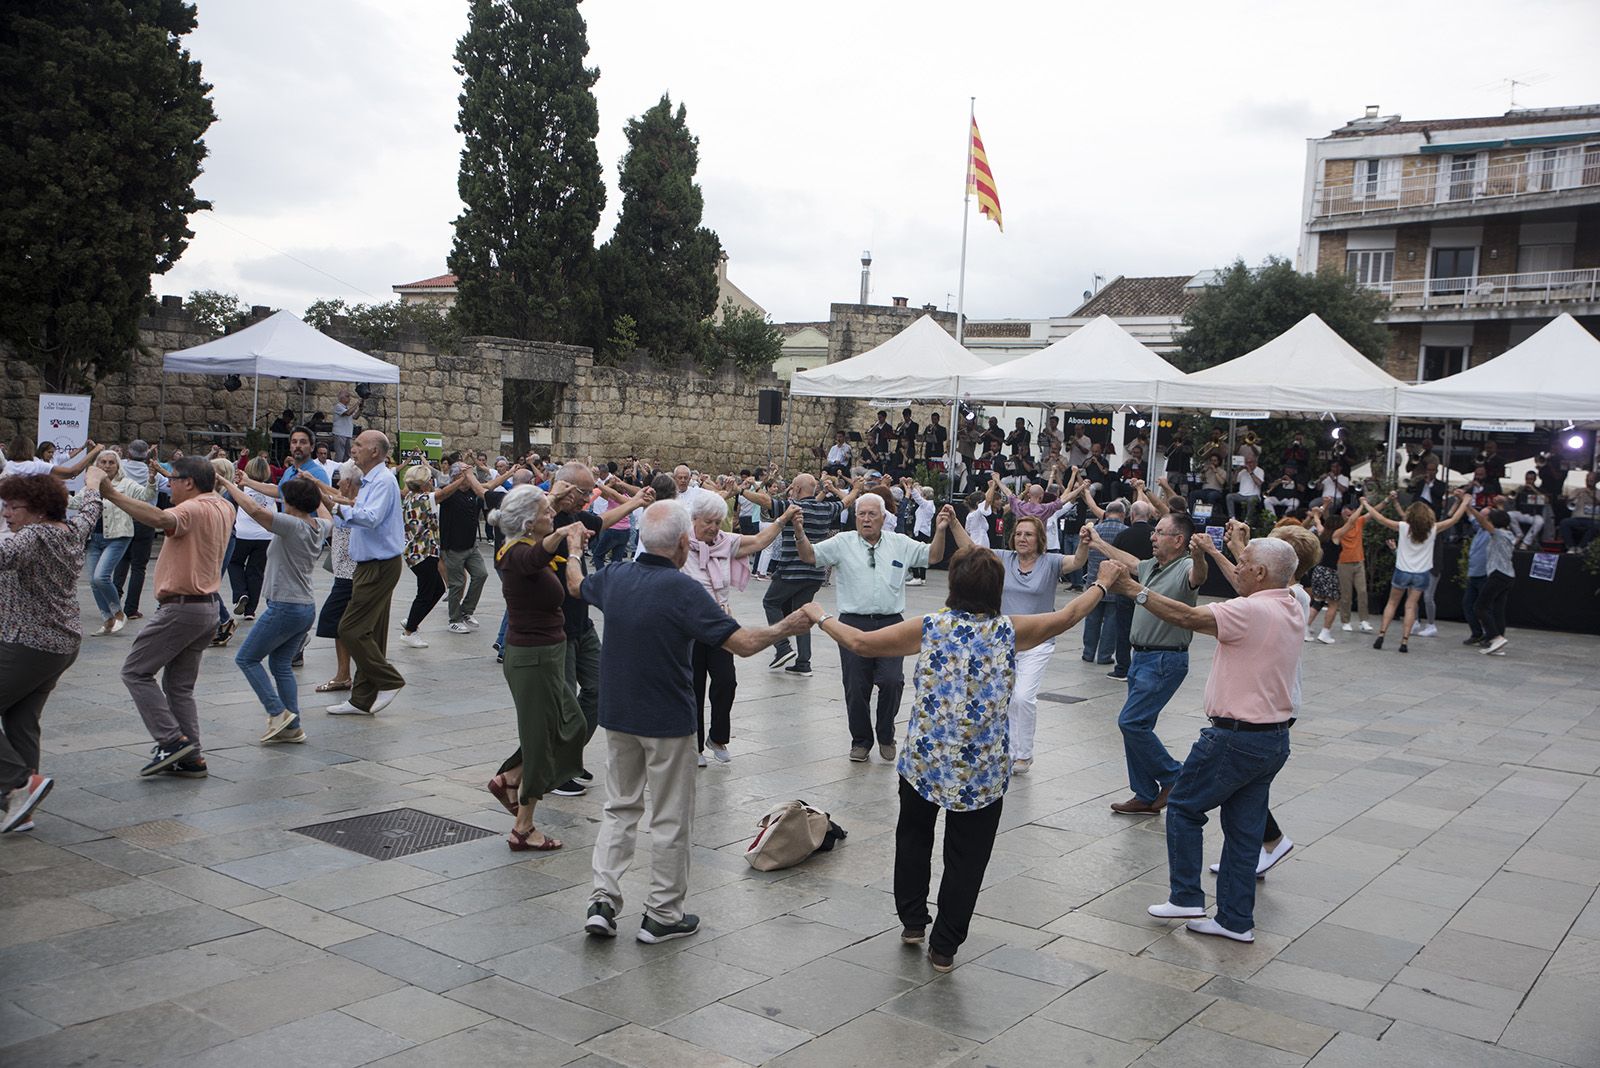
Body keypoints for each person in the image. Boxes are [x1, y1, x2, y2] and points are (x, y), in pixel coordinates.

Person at [804, 548, 1127, 970]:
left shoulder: (931, 627)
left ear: (954, 585)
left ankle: (913, 921)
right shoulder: (1010, 631)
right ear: (998, 589)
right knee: (968, 858)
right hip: (984, 769)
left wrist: (819, 615)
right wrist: (1102, 582)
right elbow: (1066, 617)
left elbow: (862, 644)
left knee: (914, 840)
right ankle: (945, 946)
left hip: (925, 761)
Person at [572, 501, 812, 944]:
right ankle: (662, 913)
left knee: (619, 808)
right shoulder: (683, 591)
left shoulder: (615, 577)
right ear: (683, 543)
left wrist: (571, 550)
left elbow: (575, 585)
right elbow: (740, 644)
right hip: (666, 720)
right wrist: (787, 627)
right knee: (670, 818)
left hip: (619, 715)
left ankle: (602, 901)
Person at [1111, 537, 1303, 943]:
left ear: (1260, 574)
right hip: (1273, 740)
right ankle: (1235, 920)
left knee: (1182, 805)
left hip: (1234, 738)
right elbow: (1245, 591)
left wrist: (1132, 590)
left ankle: (1185, 896)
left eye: (1243, 562)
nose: (1235, 567)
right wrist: (1222, 551)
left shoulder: (1250, 610)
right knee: (1244, 830)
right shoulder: (1290, 603)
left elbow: (1186, 616)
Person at [101, 456, 234, 777]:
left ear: (189, 482)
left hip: (182, 607)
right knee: (179, 687)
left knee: (135, 672)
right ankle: (192, 757)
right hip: (206, 609)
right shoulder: (222, 506)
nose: (167, 484)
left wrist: (113, 494)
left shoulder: (193, 508)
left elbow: (161, 519)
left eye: (172, 479)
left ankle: (172, 741)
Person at [0, 469, 106, 829]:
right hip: (60, 645)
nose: (6, 514)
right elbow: (91, 508)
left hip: (29, 644)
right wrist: (93, 482)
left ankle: (19, 783)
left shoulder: (34, 534)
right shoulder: (71, 531)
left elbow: (6, 555)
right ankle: (20, 811)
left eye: (13, 507)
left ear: (39, 509)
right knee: (20, 721)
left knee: (21, 721)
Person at [1084, 509, 1209, 813]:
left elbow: (1199, 576)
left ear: (1179, 540)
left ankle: (1173, 776)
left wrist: (1202, 556)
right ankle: (1144, 793)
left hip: (1165, 659)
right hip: (1141, 657)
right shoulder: (1153, 565)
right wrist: (1099, 542)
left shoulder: (1186, 567)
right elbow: (1127, 561)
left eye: (1159, 532)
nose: (1152, 537)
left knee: (1131, 722)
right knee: (1137, 725)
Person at [795, 491, 931, 762]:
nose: (866, 519)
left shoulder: (899, 543)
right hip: (853, 623)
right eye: (861, 514)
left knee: (892, 681)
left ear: (883, 518)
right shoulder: (843, 542)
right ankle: (861, 740)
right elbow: (810, 556)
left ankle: (885, 732)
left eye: (872, 514)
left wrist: (941, 527)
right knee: (856, 686)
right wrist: (799, 532)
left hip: (891, 623)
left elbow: (934, 554)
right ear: (855, 517)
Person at [489, 485, 589, 851]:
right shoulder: (513, 554)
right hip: (531, 658)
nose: (554, 516)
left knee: (572, 724)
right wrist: (566, 537)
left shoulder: (530, 547)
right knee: (540, 739)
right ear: (530, 523)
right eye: (548, 512)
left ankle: (511, 777)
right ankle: (523, 827)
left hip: (548, 654)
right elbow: (532, 561)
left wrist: (560, 519)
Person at [935, 509, 1065, 774]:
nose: (1022, 538)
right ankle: (1002, 749)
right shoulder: (1004, 558)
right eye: (1018, 534)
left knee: (1023, 697)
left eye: (1028, 534)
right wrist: (955, 523)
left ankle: (1023, 754)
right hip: (1003, 639)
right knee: (998, 698)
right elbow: (971, 548)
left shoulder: (1051, 562)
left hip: (1038, 642)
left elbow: (1077, 562)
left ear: (1039, 538)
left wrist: (1087, 543)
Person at [683, 493, 796, 764]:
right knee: (694, 686)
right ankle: (694, 747)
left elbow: (758, 541)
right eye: (707, 522)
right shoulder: (680, 544)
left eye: (717, 522)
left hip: (721, 624)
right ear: (694, 520)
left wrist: (783, 519)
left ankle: (718, 737)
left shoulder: (725, 542)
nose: (713, 527)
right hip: (689, 628)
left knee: (726, 681)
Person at [223, 474, 331, 743]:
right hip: (305, 607)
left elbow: (254, 510)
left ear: (289, 502)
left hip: (285, 606)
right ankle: (292, 725)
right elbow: (327, 512)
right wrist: (316, 488)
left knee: (246, 658)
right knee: (280, 664)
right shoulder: (319, 526)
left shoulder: (291, 525)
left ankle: (278, 713)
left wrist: (228, 484)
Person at [311, 430, 406, 716]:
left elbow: (370, 518)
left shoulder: (383, 481)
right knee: (371, 632)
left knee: (349, 628)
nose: (353, 449)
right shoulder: (371, 480)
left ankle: (389, 679)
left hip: (378, 565)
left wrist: (334, 507)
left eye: (359, 445)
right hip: (371, 563)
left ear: (375, 451)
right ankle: (361, 699)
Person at [745, 472, 849, 678]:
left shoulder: (792, 507)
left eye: (793, 487)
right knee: (803, 613)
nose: (791, 490)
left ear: (798, 489)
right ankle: (803, 662)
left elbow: (765, 501)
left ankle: (782, 647)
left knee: (771, 603)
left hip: (792, 570)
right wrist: (856, 489)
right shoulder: (826, 509)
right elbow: (846, 502)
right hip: (816, 573)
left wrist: (741, 491)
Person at [1361, 491, 1470, 653]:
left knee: (1392, 603)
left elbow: (1381, 519)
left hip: (1402, 570)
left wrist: (1366, 504)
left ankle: (1382, 634)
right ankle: (1404, 641)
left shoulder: (1404, 527)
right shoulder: (1433, 529)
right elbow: (1453, 520)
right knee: (1411, 606)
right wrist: (1465, 502)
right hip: (1421, 573)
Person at [77, 449, 157, 636]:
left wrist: (151, 479)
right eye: (103, 462)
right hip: (94, 539)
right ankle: (108, 619)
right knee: (93, 581)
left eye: (111, 462)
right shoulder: (91, 486)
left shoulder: (126, 484)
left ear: (118, 465)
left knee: (101, 577)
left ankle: (118, 613)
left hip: (118, 536)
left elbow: (146, 495)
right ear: (97, 465)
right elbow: (75, 502)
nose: (106, 466)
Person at [311, 463, 361, 702]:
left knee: (338, 621)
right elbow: (334, 496)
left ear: (350, 483)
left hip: (353, 574)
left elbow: (339, 503)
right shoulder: (344, 498)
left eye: (340, 479)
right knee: (339, 623)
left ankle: (362, 674)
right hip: (342, 573)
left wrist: (317, 492)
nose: (337, 483)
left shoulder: (357, 503)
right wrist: (315, 484)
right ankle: (344, 675)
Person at [1463, 501, 1517, 655]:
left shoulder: (1498, 534)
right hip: (1508, 576)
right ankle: (1498, 641)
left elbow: (1481, 521)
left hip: (1498, 574)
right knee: (1498, 610)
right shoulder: (1509, 534)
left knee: (1480, 607)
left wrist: (1471, 508)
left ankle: (1495, 637)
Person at [226, 456, 276, 619]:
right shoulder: (271, 488)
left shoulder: (240, 488)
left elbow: (227, 501)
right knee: (256, 571)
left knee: (234, 563)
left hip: (243, 533)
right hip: (266, 535)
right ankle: (250, 610)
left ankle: (240, 593)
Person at [1333, 503, 1372, 632]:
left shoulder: (1359, 521)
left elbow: (1373, 513)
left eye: (1349, 510)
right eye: (1344, 510)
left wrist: (1387, 500)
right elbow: (1349, 521)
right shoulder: (1340, 525)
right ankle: (1345, 621)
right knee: (1346, 594)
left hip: (1359, 561)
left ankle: (1364, 620)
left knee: (1362, 592)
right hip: (1344, 562)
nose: (1346, 512)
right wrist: (1362, 505)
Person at [1559, 471, 1599, 552]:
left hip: (1592, 519)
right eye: (1587, 480)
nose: (1588, 482)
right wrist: (1573, 497)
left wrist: (1590, 494)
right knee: (1564, 522)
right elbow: (1569, 501)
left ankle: (1581, 547)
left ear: (1596, 481)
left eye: (1591, 480)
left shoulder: (1598, 492)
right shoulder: (1578, 490)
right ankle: (1571, 547)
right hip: (1577, 517)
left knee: (1596, 526)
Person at [1509, 471, 1549, 549]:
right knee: (1509, 514)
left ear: (1534, 480)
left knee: (1540, 521)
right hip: (1522, 514)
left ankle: (1526, 542)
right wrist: (1517, 491)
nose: (1528, 481)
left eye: (1531, 479)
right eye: (1527, 479)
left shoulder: (1539, 490)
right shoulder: (1521, 490)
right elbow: (1510, 498)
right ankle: (1519, 534)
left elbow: (1546, 500)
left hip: (1534, 515)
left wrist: (1533, 490)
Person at [332, 388, 363, 461]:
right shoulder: (338, 406)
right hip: (340, 433)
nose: (349, 398)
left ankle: (345, 470)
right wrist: (357, 403)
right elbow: (348, 413)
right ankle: (337, 471)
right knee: (340, 455)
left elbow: (355, 417)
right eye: (347, 396)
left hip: (347, 434)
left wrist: (360, 409)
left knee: (347, 455)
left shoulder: (346, 408)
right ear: (341, 398)